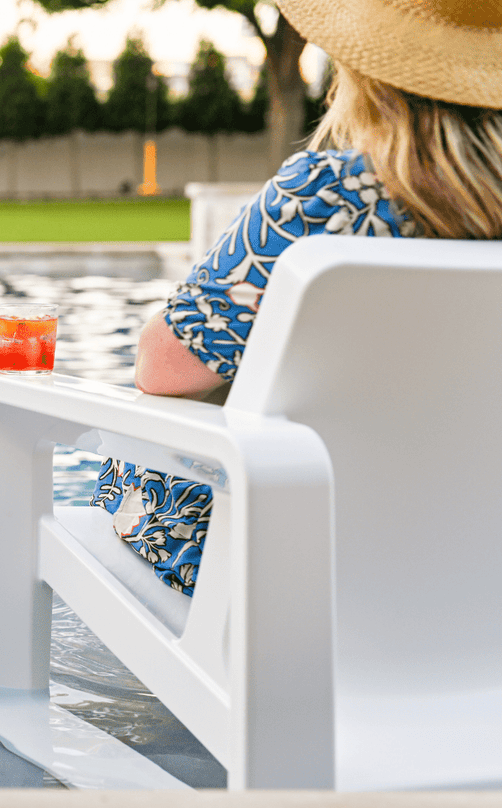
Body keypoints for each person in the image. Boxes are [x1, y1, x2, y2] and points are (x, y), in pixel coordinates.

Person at [92, 0, 502, 596]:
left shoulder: (327, 198)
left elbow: (164, 369)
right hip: (475, 561)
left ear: (369, 74)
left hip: (285, 559)